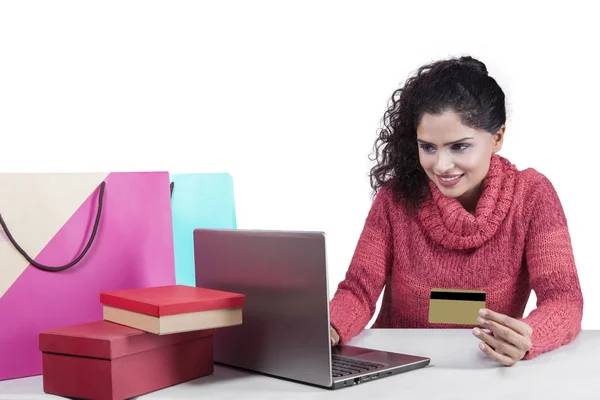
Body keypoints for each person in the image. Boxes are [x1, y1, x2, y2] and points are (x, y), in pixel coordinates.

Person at [328, 55, 584, 367]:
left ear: (498, 137)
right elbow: (359, 290)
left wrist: (530, 336)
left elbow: (564, 300)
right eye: (428, 147)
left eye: (459, 147)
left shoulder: (532, 196)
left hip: (489, 373)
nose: (441, 166)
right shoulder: (396, 198)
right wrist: (331, 327)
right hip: (399, 372)